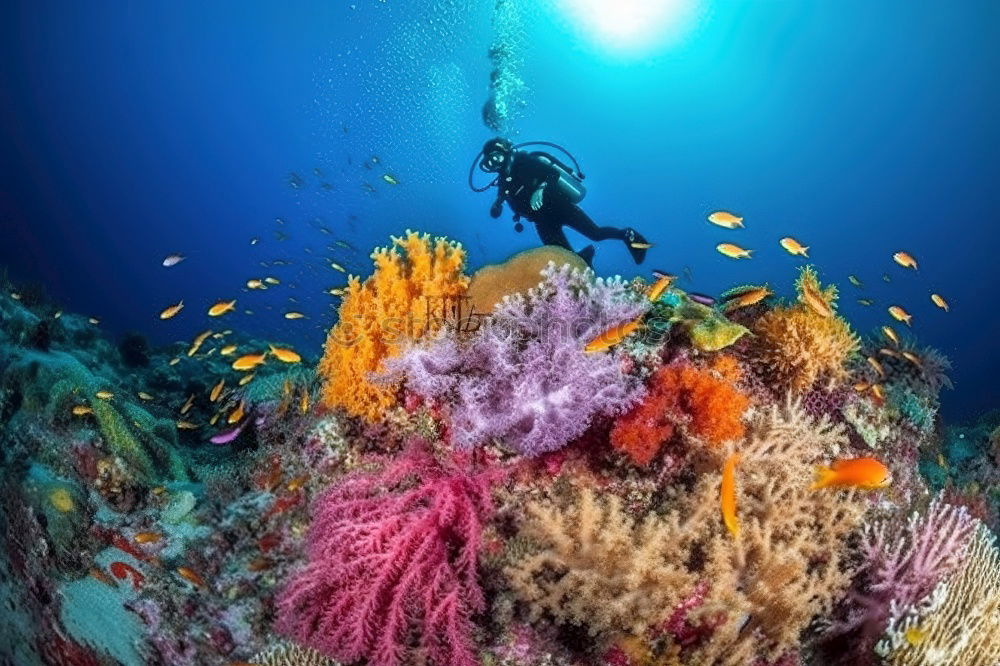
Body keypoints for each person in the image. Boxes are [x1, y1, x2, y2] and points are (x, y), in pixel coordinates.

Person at [472, 137, 651, 265]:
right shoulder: (503, 182)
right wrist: (497, 205)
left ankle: (629, 235)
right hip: (541, 221)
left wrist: (540, 190)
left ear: (504, 151)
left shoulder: (525, 161)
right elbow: (500, 204)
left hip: (560, 207)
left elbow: (553, 173)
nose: (495, 164)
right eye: (490, 163)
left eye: (496, 157)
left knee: (596, 233)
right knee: (563, 257)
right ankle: (584, 261)